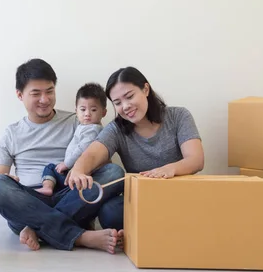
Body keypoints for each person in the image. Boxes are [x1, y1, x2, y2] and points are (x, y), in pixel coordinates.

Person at [0, 58, 125, 254]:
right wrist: (10, 180)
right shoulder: (11, 133)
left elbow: (101, 159)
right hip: (31, 201)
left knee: (114, 172)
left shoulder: (78, 119)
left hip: (74, 196)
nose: (45, 99)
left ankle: (38, 229)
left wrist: (80, 170)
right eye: (36, 93)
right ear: (19, 95)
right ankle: (81, 237)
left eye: (49, 91)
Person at [66, 66, 205, 231]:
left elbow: (196, 160)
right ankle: (154, 230)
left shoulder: (179, 116)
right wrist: (78, 169)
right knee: (110, 211)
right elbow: (94, 153)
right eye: (117, 103)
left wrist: (169, 169)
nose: (125, 106)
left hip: (178, 197)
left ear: (145, 89)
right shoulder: (116, 129)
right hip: (144, 201)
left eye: (129, 96)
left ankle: (161, 229)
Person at [35, 82, 108, 197]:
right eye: (83, 109)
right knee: (52, 168)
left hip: (78, 172)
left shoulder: (93, 130)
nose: (87, 114)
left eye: (93, 110)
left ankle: (49, 188)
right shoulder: (82, 126)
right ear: (76, 111)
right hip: (72, 170)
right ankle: (48, 188)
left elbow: (82, 148)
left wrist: (66, 163)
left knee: (50, 168)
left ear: (103, 112)